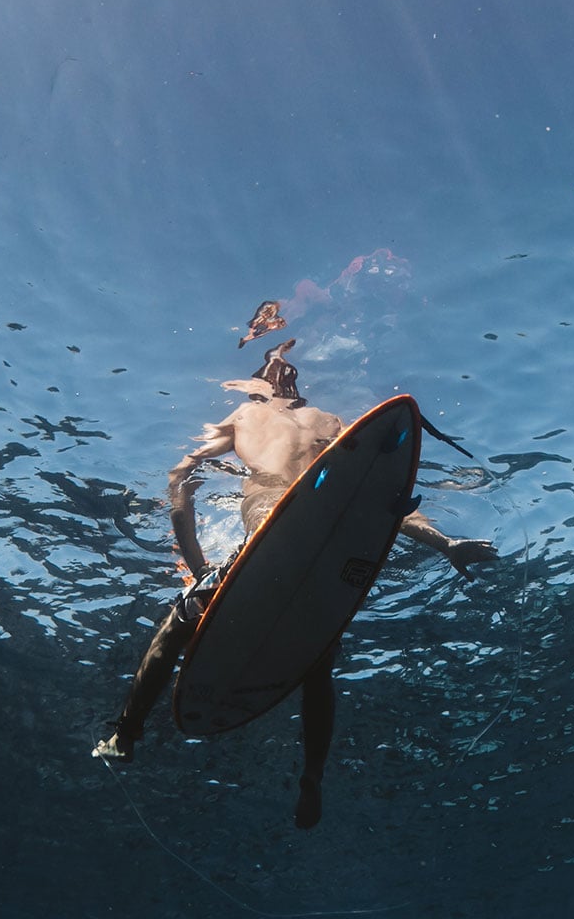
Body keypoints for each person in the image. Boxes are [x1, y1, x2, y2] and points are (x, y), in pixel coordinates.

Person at [93, 336, 495, 828]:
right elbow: (373, 494)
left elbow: (180, 480)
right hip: (298, 535)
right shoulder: (325, 422)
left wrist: (198, 566)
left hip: (270, 522)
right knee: (317, 666)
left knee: (185, 618)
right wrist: (445, 543)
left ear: (257, 382)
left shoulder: (247, 418)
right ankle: (310, 778)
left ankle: (126, 734)